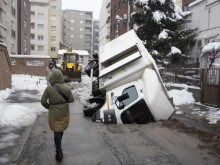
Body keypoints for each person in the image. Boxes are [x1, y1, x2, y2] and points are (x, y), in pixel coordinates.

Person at [41, 69, 74, 161]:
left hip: (53, 114)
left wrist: (49, 107)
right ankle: (59, 148)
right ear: (61, 77)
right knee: (61, 128)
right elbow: (72, 100)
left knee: (56, 130)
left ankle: (58, 151)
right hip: (64, 112)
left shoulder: (49, 89)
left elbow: (43, 101)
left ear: (52, 78)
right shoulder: (66, 88)